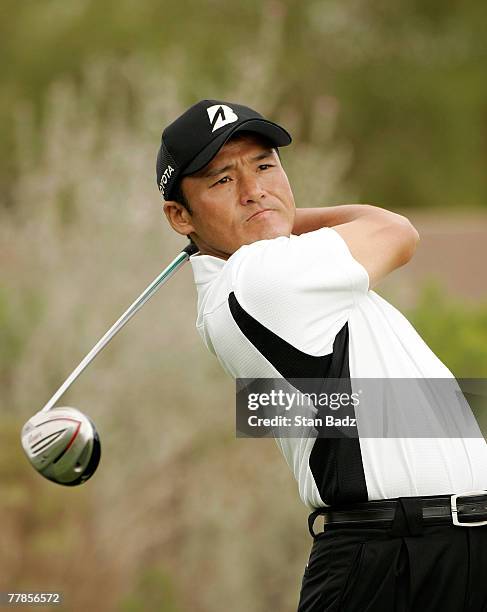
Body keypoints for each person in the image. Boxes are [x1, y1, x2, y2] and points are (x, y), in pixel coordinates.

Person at [156, 99, 487, 611]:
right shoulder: (258, 279)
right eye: (222, 181)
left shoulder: (273, 273)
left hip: (446, 548)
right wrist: (278, 218)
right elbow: (397, 231)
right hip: (390, 560)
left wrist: (264, 218)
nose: (253, 190)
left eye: (265, 166)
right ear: (179, 215)